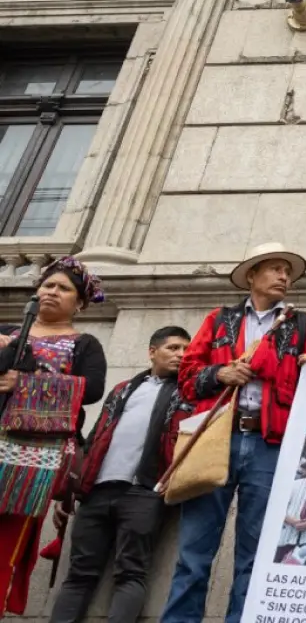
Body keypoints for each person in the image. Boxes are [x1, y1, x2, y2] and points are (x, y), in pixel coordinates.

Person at [164, 243, 306, 623]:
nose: (284, 276)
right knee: (193, 553)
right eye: (275, 268)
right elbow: (186, 379)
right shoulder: (220, 320)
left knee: (254, 555)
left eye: (288, 271)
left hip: (271, 447)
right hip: (216, 439)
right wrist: (219, 374)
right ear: (252, 275)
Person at [49, 326, 191, 623]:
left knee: (131, 571)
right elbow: (95, 438)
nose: (181, 355)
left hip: (144, 491)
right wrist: (70, 491)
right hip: (97, 490)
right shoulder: (123, 389)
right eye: (174, 348)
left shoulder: (188, 391)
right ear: (153, 351)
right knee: (79, 574)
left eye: (185, 350)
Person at [0, 257, 106, 616]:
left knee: (6, 541)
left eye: (63, 288)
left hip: (33, 456)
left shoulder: (84, 344)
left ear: (79, 303)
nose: (52, 292)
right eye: (48, 285)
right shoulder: (9, 332)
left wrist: (26, 381)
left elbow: (91, 389)